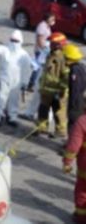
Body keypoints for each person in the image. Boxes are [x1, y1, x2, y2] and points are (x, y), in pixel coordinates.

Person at [0, 29, 34, 127]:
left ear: (20, 42)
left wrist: (25, 82)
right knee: (0, 97)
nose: (14, 43)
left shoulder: (24, 54)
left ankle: (12, 117)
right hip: (4, 78)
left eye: (16, 41)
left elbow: (28, 69)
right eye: (12, 40)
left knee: (14, 99)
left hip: (17, 81)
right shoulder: (4, 49)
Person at [36, 32, 70, 137]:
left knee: (58, 112)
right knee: (43, 109)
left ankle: (60, 132)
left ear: (59, 44)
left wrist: (61, 91)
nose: (50, 44)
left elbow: (66, 77)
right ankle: (42, 128)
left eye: (53, 43)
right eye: (50, 42)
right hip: (46, 90)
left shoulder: (63, 58)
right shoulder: (50, 54)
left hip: (57, 92)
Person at [62, 93, 86, 223]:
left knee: (82, 191)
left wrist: (67, 163)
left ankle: (81, 217)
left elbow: (73, 146)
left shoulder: (82, 121)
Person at [66, 44, 86, 135]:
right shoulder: (81, 66)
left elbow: (75, 88)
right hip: (81, 99)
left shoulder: (74, 70)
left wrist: (72, 102)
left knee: (73, 121)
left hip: (76, 100)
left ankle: (71, 143)